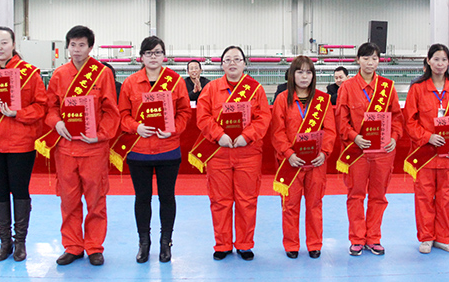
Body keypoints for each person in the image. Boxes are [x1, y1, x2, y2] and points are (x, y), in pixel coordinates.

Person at [36, 25, 120, 266]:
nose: (76, 49)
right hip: (66, 148)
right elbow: (50, 107)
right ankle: (72, 246)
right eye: (72, 45)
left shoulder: (102, 74)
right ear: (67, 47)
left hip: (93, 148)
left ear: (90, 47)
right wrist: (56, 122)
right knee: (69, 199)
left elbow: (111, 111)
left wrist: (100, 135)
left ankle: (94, 246)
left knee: (96, 200)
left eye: (82, 45)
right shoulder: (59, 74)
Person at [0, 27, 48, 262]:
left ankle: (20, 242)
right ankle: (5, 242)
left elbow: (41, 107)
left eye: (4, 42)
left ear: (13, 44)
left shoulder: (30, 73)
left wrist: (18, 112)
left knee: (21, 191)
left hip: (21, 144)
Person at [192, 46, 272, 261]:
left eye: (237, 59)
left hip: (248, 152)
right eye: (227, 60)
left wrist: (248, 136)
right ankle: (223, 244)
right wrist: (219, 135)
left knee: (247, 200)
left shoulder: (256, 89)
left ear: (244, 63)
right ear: (222, 65)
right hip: (219, 152)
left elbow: (263, 118)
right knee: (220, 200)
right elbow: (203, 116)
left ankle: (245, 244)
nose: (232, 63)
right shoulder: (211, 89)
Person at [116, 36, 191, 263]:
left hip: (168, 149)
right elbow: (122, 115)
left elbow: (185, 113)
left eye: (157, 52)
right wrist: (136, 127)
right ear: (141, 57)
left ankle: (165, 243)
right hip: (139, 151)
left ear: (164, 56)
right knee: (142, 198)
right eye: (148, 53)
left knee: (167, 197)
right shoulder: (130, 83)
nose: (153, 57)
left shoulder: (175, 81)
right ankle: (144, 243)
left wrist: (173, 129)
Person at [404, 44, 449, 254]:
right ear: (428, 61)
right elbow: (409, 121)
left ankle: (443, 237)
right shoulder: (417, 89)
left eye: (444, 60)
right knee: (424, 197)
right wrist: (428, 137)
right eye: (436, 59)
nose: (440, 64)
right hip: (425, 154)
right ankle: (426, 237)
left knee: (445, 197)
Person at [336, 42, 404, 256]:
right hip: (357, 152)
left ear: (379, 61)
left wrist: (394, 137)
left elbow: (397, 118)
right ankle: (357, 239)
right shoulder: (347, 87)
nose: (370, 62)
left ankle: (373, 238)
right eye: (365, 58)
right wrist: (354, 137)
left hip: (383, 153)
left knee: (378, 196)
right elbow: (341, 120)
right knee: (355, 195)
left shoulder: (387, 87)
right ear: (358, 60)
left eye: (374, 58)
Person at [270, 56, 336, 259]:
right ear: (292, 75)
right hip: (291, 162)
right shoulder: (282, 99)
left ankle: (314, 244)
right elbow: (277, 131)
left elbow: (330, 130)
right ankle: (291, 244)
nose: (304, 76)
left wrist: (324, 153)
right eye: (300, 72)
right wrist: (289, 153)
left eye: (308, 72)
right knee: (290, 205)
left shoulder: (323, 100)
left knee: (314, 204)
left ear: (313, 76)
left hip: (316, 163)